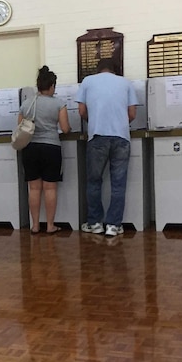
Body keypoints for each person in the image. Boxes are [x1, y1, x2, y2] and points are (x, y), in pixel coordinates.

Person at [76, 59, 138, 237]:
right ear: (115, 70)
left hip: (97, 136)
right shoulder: (126, 83)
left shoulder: (88, 81)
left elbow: (81, 111)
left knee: (94, 181)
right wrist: (119, 123)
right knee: (118, 184)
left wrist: (94, 121)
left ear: (98, 70)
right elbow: (132, 114)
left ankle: (95, 223)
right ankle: (113, 225)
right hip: (121, 138)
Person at [18, 66, 71, 234]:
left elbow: (19, 127)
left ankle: (35, 226)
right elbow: (65, 128)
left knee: (34, 188)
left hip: (30, 148)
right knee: (50, 188)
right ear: (52, 86)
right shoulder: (58, 103)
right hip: (51, 148)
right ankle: (50, 226)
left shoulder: (27, 103)